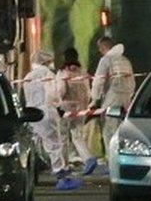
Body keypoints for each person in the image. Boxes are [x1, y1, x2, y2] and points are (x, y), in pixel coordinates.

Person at [23, 50, 82, 190]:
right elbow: (53, 95)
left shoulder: (28, 76)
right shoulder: (48, 74)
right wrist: (58, 106)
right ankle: (61, 177)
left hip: (32, 113)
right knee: (54, 145)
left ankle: (31, 176)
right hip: (47, 112)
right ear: (45, 62)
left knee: (34, 145)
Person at [89, 37, 135, 154]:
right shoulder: (125, 60)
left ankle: (111, 161)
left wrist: (94, 100)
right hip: (127, 100)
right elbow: (132, 81)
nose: (99, 51)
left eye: (100, 48)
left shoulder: (106, 60)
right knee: (122, 131)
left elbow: (98, 80)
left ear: (104, 47)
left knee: (109, 130)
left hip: (112, 98)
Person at [56, 47, 97, 176]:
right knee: (77, 136)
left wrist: (57, 102)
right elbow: (87, 92)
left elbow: (61, 91)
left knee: (63, 138)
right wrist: (85, 107)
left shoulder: (63, 72)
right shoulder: (83, 72)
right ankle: (89, 158)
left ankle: (65, 166)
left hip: (65, 109)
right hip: (80, 109)